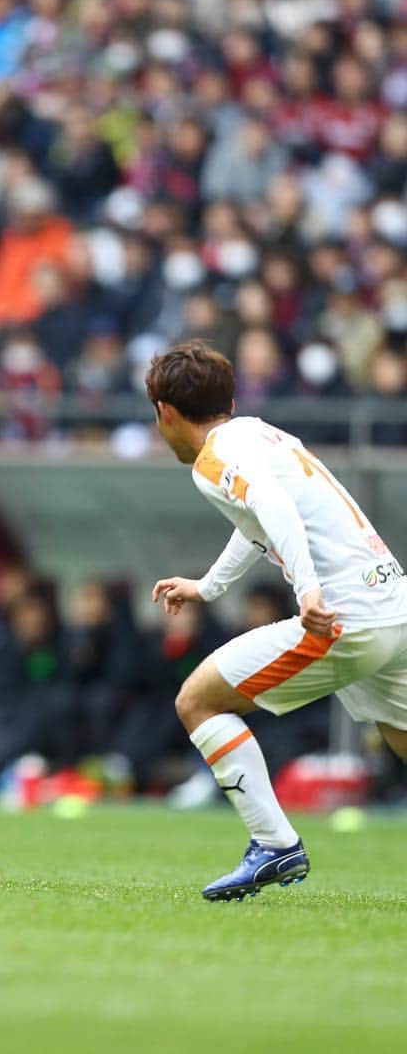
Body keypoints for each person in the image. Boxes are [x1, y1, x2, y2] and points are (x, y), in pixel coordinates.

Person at [146, 341, 407, 901]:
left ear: (164, 411)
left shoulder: (213, 460)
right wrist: (209, 586)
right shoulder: (263, 434)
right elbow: (259, 518)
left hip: (342, 615)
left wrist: (308, 591)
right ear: (231, 399)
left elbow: (273, 507)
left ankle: (275, 845)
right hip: (392, 604)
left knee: (198, 701)